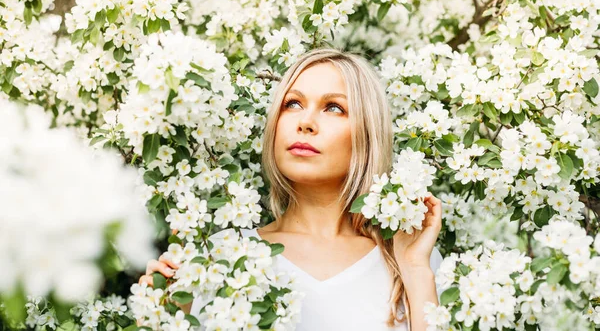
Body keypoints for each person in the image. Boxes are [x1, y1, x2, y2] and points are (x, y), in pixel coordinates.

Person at [140, 47, 444, 330]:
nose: (306, 122)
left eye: (334, 108)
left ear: (366, 134)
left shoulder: (410, 259)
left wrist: (416, 271)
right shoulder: (221, 254)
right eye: (293, 104)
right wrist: (165, 313)